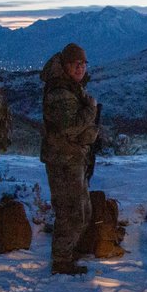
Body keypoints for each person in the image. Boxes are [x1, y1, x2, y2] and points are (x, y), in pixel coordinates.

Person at [40, 43, 98, 275]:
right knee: (70, 211)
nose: (80, 68)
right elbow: (70, 127)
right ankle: (62, 260)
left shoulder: (71, 87)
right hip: (62, 160)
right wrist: (91, 110)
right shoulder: (60, 92)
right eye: (75, 64)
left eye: (83, 64)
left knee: (80, 209)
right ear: (64, 66)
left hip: (71, 157)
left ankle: (69, 251)